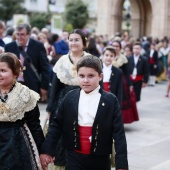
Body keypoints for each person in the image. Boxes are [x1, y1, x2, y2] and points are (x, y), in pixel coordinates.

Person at [40, 55, 128, 170]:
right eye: (81, 76)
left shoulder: (110, 100)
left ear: (100, 76)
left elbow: (119, 134)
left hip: (100, 159)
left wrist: (121, 165)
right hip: (73, 158)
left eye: (91, 76)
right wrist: (47, 151)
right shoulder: (70, 97)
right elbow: (56, 126)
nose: (85, 80)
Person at [46, 29, 90, 169]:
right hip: (63, 103)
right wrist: (50, 108)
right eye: (71, 40)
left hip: (85, 101)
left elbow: (98, 85)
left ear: (84, 42)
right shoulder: (62, 61)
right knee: (61, 136)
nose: (73, 43)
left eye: (77, 40)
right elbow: (55, 88)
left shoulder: (90, 60)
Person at [0, 52, 44, 169]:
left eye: (3, 71)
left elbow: (34, 125)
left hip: (18, 144)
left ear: (15, 73)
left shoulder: (26, 95)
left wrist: (42, 151)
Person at [5, 23, 50, 102]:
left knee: (30, 112)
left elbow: (45, 68)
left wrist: (44, 86)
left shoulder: (38, 46)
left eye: (22, 34)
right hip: (13, 85)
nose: (19, 37)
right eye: (17, 34)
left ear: (28, 34)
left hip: (32, 85)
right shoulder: (9, 47)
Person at [112, 40, 139, 123]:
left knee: (121, 101)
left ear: (120, 48)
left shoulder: (123, 58)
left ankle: (120, 120)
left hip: (121, 83)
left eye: (117, 46)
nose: (115, 48)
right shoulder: (108, 56)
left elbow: (127, 73)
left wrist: (130, 84)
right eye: (114, 46)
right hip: (110, 82)